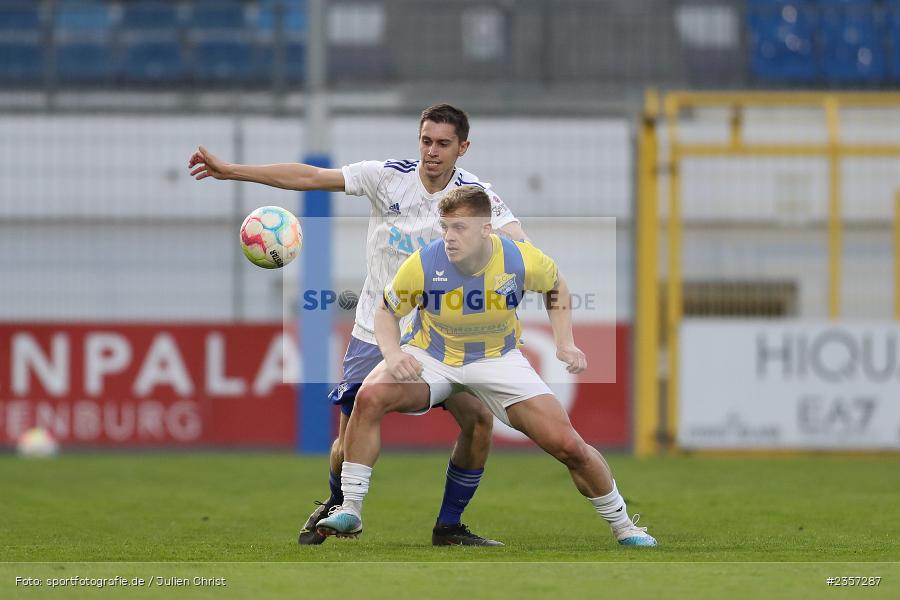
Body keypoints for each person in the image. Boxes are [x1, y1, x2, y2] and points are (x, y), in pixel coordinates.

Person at [189, 104, 528, 546]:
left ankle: (449, 527)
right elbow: (311, 177)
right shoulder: (386, 177)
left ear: (463, 147)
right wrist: (232, 171)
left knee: (480, 421)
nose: (431, 151)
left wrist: (505, 255)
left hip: (441, 338)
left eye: (443, 143)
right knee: (346, 444)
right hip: (376, 330)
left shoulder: (476, 194)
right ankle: (336, 503)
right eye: (426, 140)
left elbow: (518, 240)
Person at [316, 186, 657, 547]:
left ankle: (624, 526)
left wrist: (565, 342)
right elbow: (387, 309)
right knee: (369, 396)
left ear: (485, 229)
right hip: (433, 355)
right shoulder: (425, 262)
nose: (448, 237)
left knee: (569, 446)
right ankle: (351, 509)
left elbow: (555, 286)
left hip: (497, 359)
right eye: (445, 227)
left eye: (459, 228)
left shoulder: (520, 259)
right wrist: (393, 352)